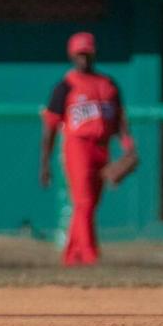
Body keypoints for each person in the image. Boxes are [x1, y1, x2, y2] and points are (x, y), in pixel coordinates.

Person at [40, 32, 135, 266]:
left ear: (94, 53)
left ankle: (72, 256)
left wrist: (128, 146)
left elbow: (120, 120)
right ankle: (92, 256)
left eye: (87, 53)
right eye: (79, 54)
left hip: (102, 147)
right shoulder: (65, 87)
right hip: (77, 146)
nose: (83, 58)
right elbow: (50, 127)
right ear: (72, 55)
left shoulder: (108, 84)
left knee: (90, 204)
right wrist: (45, 162)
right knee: (82, 202)